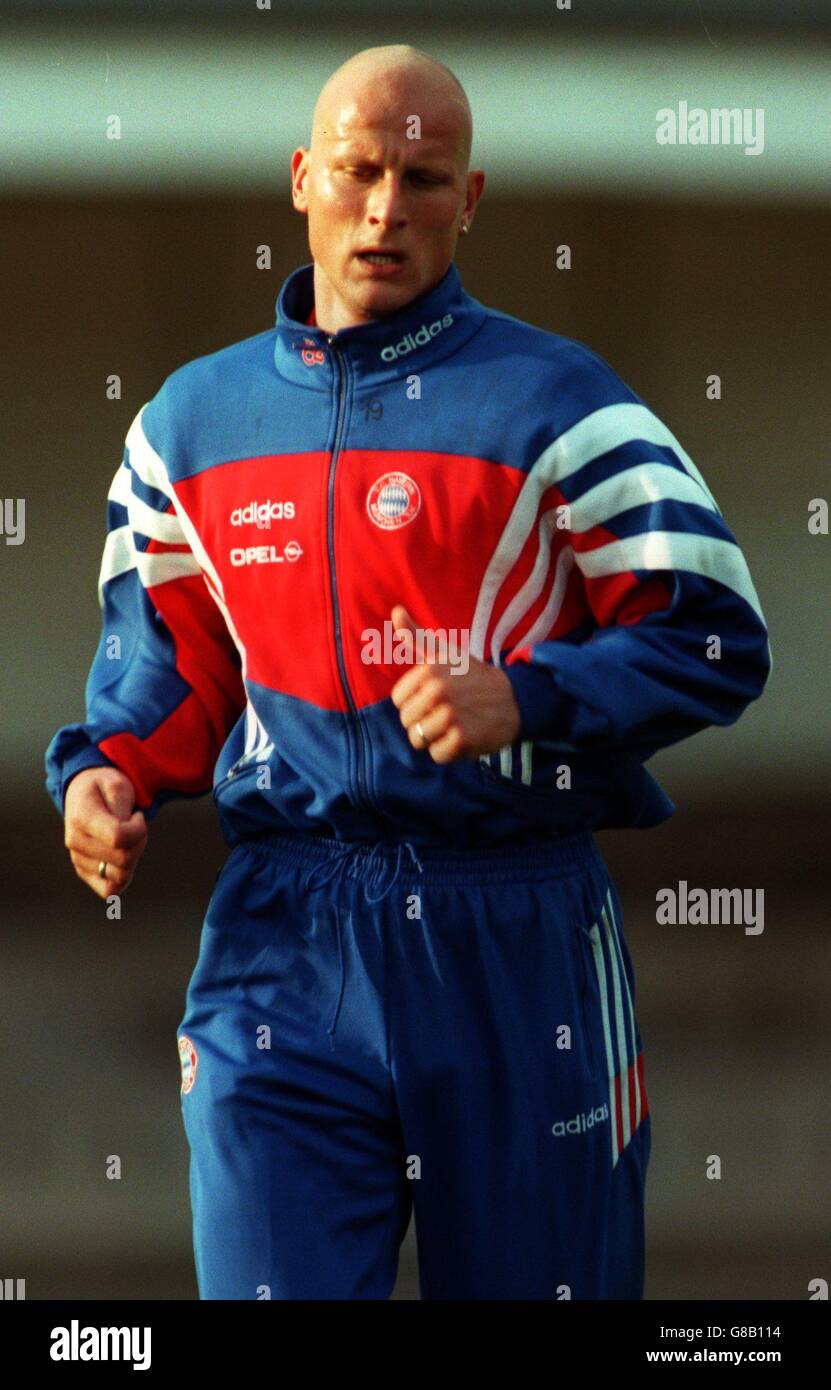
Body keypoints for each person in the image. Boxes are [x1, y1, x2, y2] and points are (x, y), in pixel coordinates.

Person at [45, 44, 771, 1300]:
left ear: (472, 198)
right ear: (300, 178)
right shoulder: (183, 429)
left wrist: (533, 693)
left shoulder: (562, 404)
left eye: (424, 179)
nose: (386, 210)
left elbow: (718, 638)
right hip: (282, 943)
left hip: (517, 935)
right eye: (359, 170)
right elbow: (172, 667)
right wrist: (106, 773)